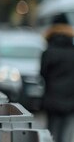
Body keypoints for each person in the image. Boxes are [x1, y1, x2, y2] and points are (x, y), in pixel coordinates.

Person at [40, 13, 74, 142]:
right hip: (71, 100)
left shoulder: (48, 52)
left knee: (51, 133)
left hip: (52, 99)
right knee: (66, 135)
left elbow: (42, 74)